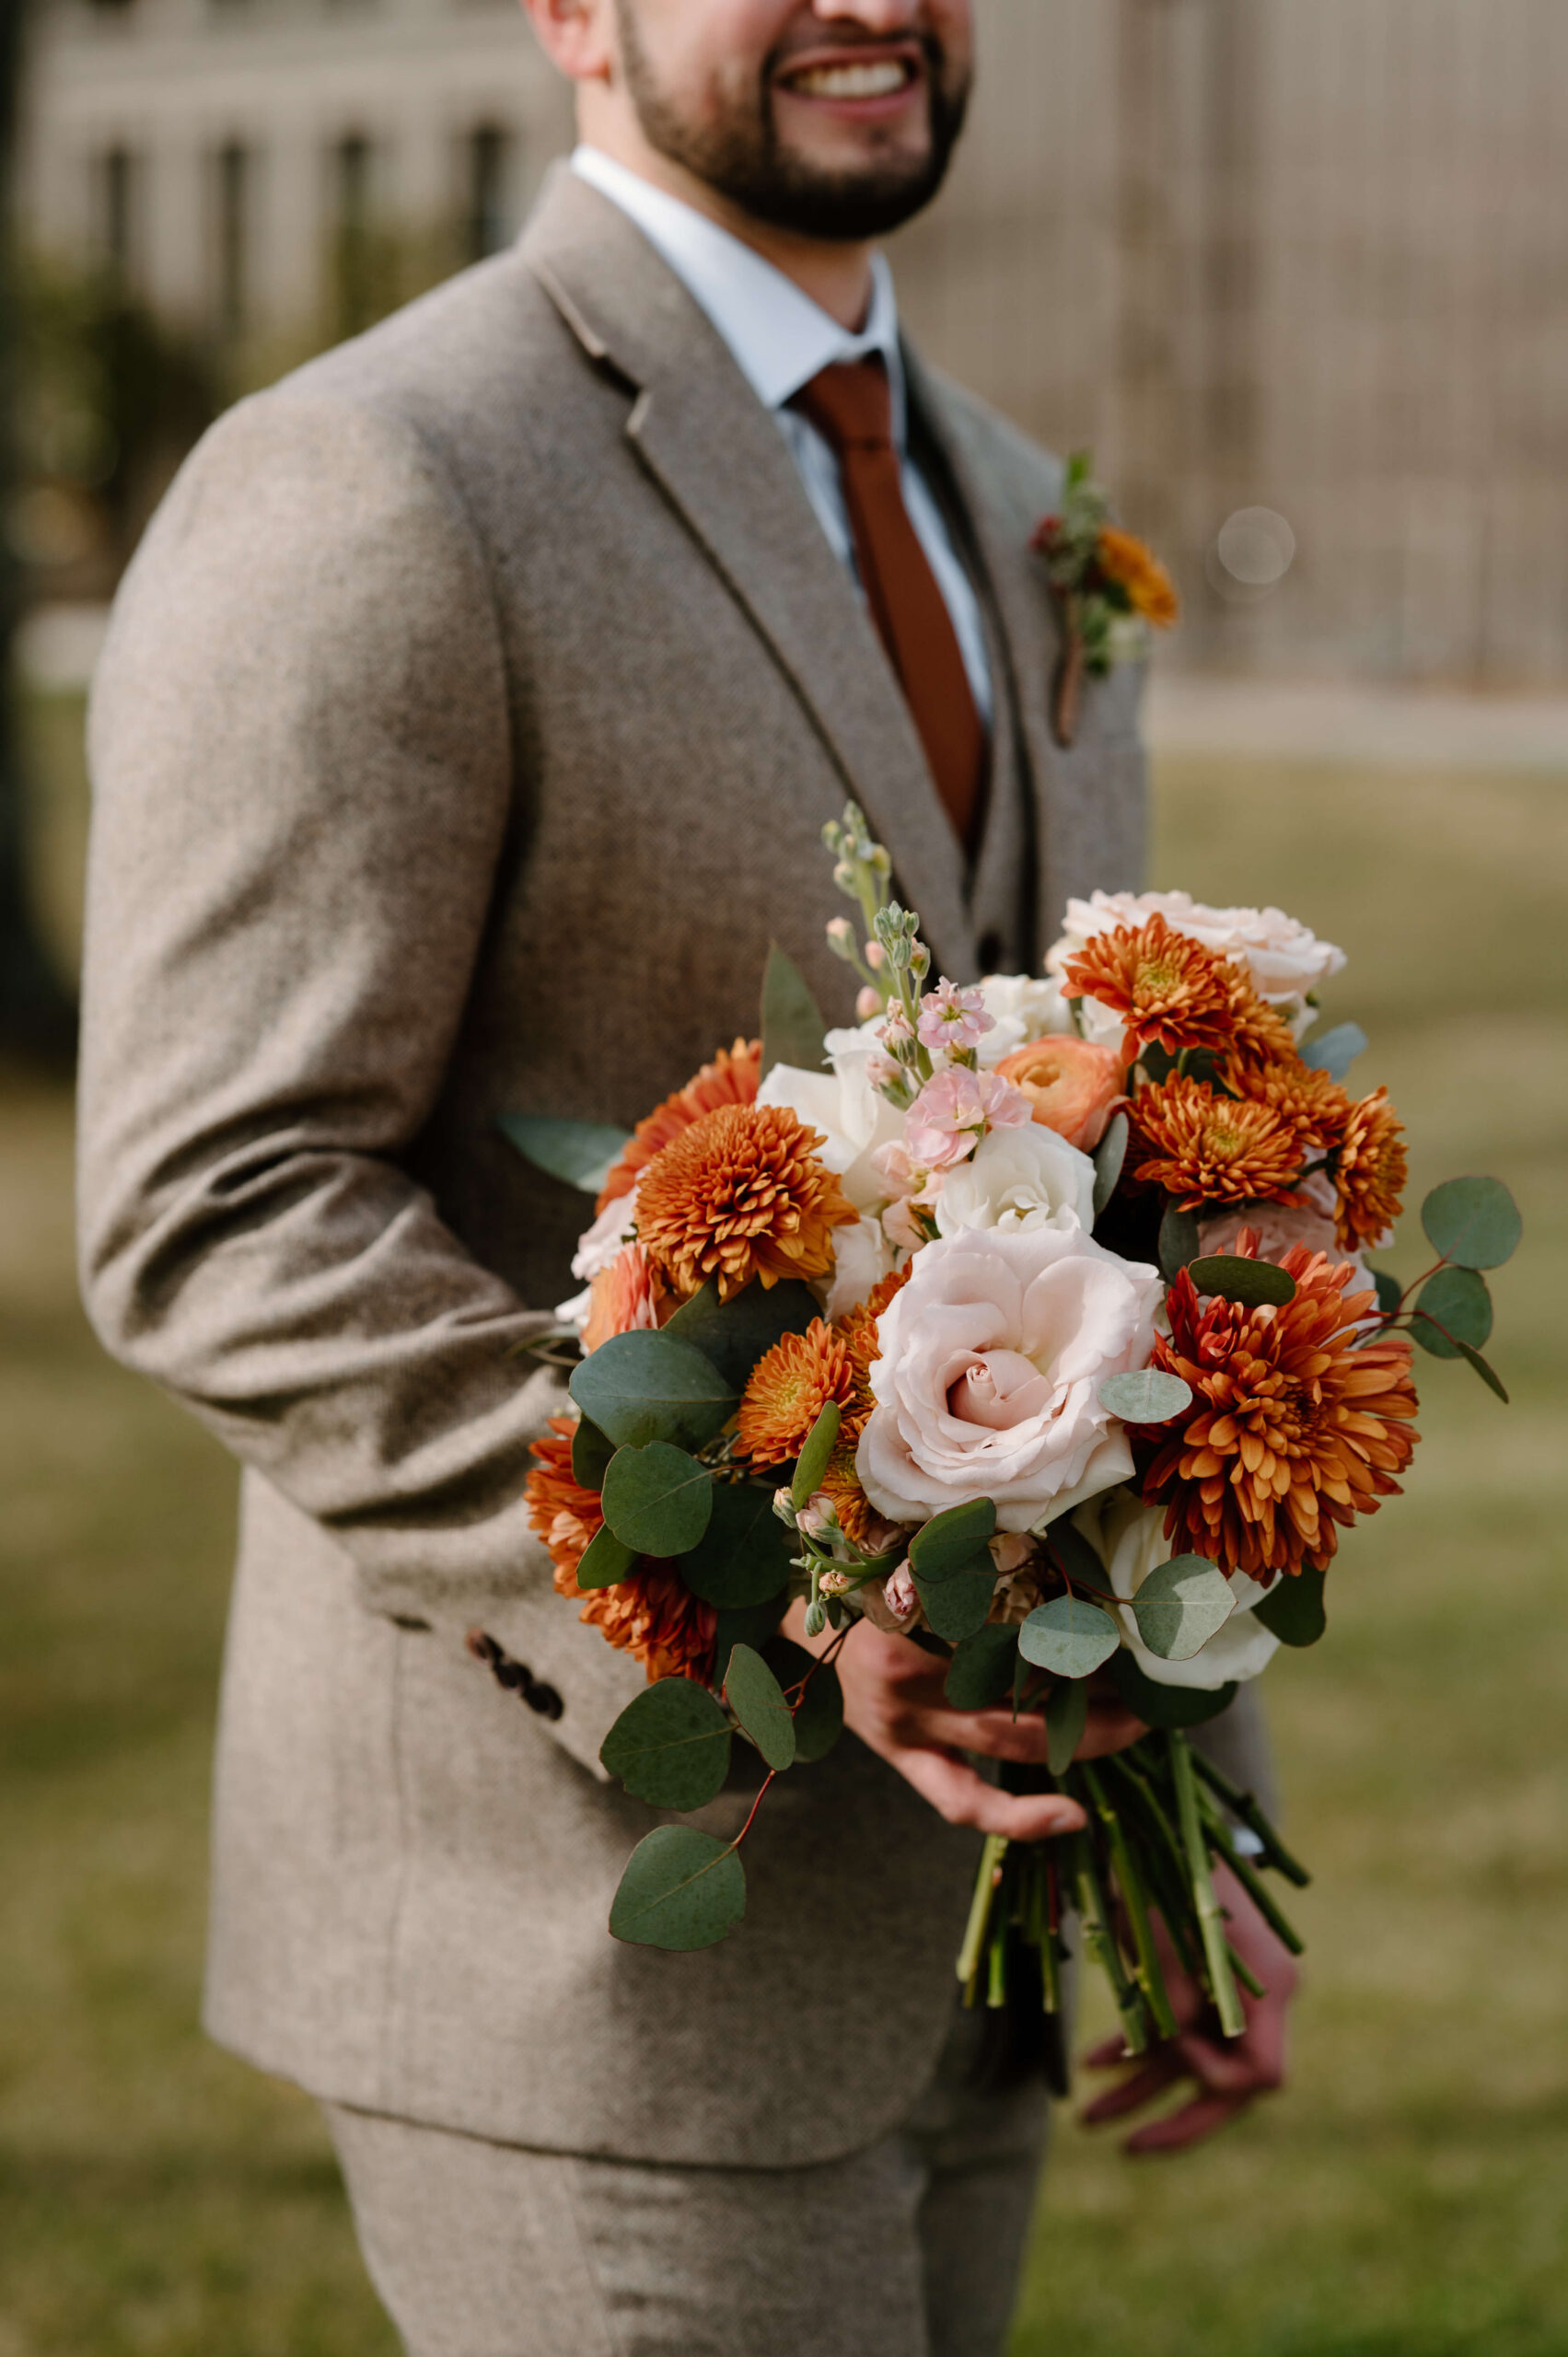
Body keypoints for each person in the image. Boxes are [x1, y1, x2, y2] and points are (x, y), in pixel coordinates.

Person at [76, 3, 1295, 2350]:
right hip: (589, 1949)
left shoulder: (1029, 513)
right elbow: (218, 1202)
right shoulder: (372, 473)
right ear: (566, 9)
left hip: (979, 1948)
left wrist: (1196, 1790)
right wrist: (764, 1589)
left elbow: (1101, 1213)